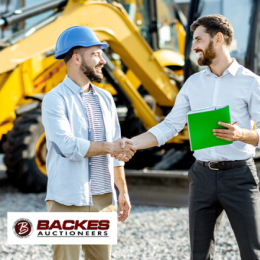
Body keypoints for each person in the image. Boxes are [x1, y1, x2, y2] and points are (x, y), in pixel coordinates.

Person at [118, 15, 260, 259]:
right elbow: (170, 126)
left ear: (217, 39)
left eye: (198, 39)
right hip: (202, 176)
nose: (194, 46)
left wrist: (242, 134)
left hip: (239, 176)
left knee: (252, 252)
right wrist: (133, 144)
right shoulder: (193, 84)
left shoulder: (251, 82)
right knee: (199, 254)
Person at [42, 26, 135, 260]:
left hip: (103, 198)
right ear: (76, 58)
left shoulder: (105, 98)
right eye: (95, 54)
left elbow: (116, 149)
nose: (102, 60)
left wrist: (122, 190)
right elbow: (67, 146)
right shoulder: (54, 99)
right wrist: (108, 147)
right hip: (67, 199)